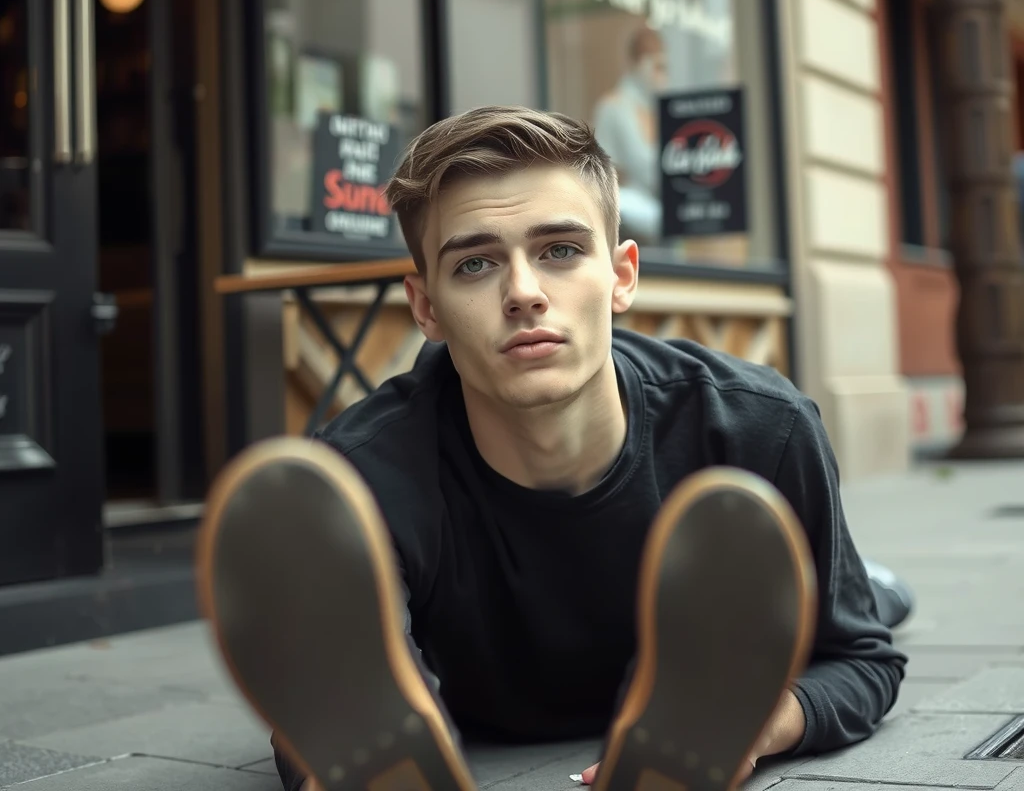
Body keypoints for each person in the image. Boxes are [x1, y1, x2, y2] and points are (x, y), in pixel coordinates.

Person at [198, 106, 908, 791]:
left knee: (857, 601)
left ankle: (868, 583)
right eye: (475, 265)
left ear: (623, 274)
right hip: (460, 712)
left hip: (724, 627)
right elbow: (327, 719)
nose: (524, 293)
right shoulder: (361, 479)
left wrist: (754, 726)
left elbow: (861, 660)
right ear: (425, 308)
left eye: (560, 251)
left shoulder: (757, 430)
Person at [592, 27, 667, 243]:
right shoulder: (613, 106)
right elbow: (638, 170)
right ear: (637, 63)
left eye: (663, 66)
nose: (660, 74)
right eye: (655, 65)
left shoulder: (656, 109)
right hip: (629, 215)